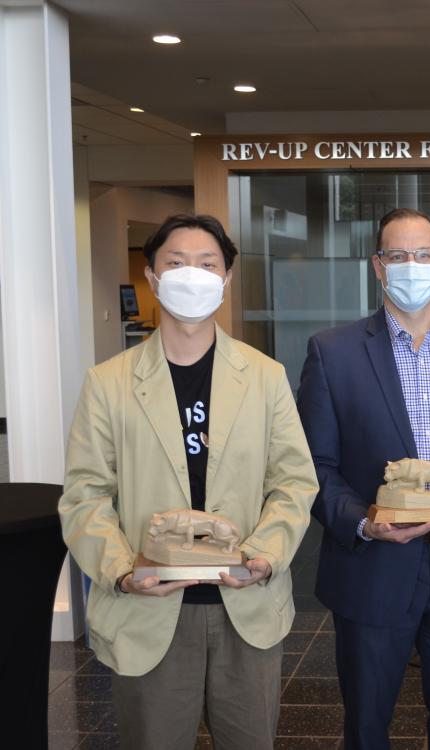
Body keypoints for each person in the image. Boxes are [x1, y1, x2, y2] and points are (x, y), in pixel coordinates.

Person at [58, 214, 318, 750]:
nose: (191, 275)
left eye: (207, 264)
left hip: (245, 606)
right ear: (152, 278)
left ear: (225, 280)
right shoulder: (108, 383)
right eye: (176, 263)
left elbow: (294, 482)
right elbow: (85, 497)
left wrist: (263, 556)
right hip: (148, 610)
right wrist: (124, 572)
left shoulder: (265, 376)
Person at [297, 207, 430, 750]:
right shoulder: (333, 353)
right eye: (398, 255)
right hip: (372, 571)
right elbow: (313, 468)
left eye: (422, 255)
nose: (411, 266)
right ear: (378, 266)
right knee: (367, 728)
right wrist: (365, 524)